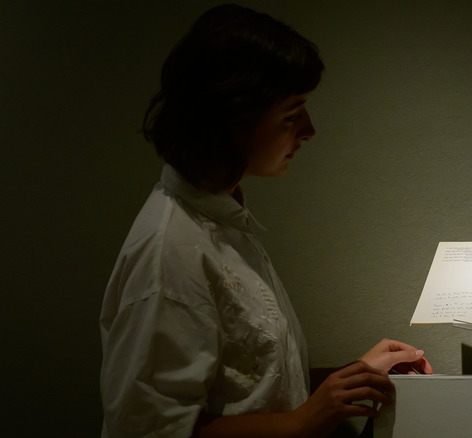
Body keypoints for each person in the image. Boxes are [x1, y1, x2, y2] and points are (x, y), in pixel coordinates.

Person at [99, 4, 432, 438]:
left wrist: (353, 376)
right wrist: (304, 421)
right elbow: (148, 431)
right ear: (231, 120)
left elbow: (246, 386)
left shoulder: (220, 223)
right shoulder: (170, 252)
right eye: (293, 114)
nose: (309, 130)